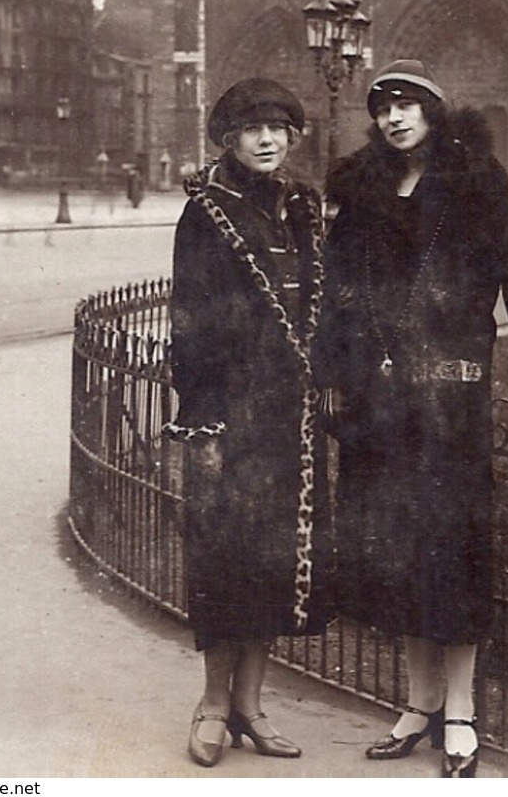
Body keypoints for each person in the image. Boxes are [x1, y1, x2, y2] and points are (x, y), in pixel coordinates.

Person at [316, 60, 508, 779]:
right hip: (382, 399)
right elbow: (338, 289)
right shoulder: (363, 188)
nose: (393, 118)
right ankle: (418, 704)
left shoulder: (477, 180)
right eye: (382, 109)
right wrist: (336, 371)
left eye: (406, 105)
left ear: (434, 112)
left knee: (454, 548)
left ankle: (462, 712)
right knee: (398, 548)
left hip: (450, 397)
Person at [166, 78, 333, 768]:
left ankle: (251, 708)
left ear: (293, 138)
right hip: (231, 415)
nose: (267, 140)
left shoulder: (301, 211)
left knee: (273, 562)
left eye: (279, 128)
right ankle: (211, 705)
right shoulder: (207, 215)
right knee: (223, 562)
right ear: (228, 139)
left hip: (288, 418)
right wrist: (201, 419)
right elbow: (191, 325)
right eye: (252, 129)